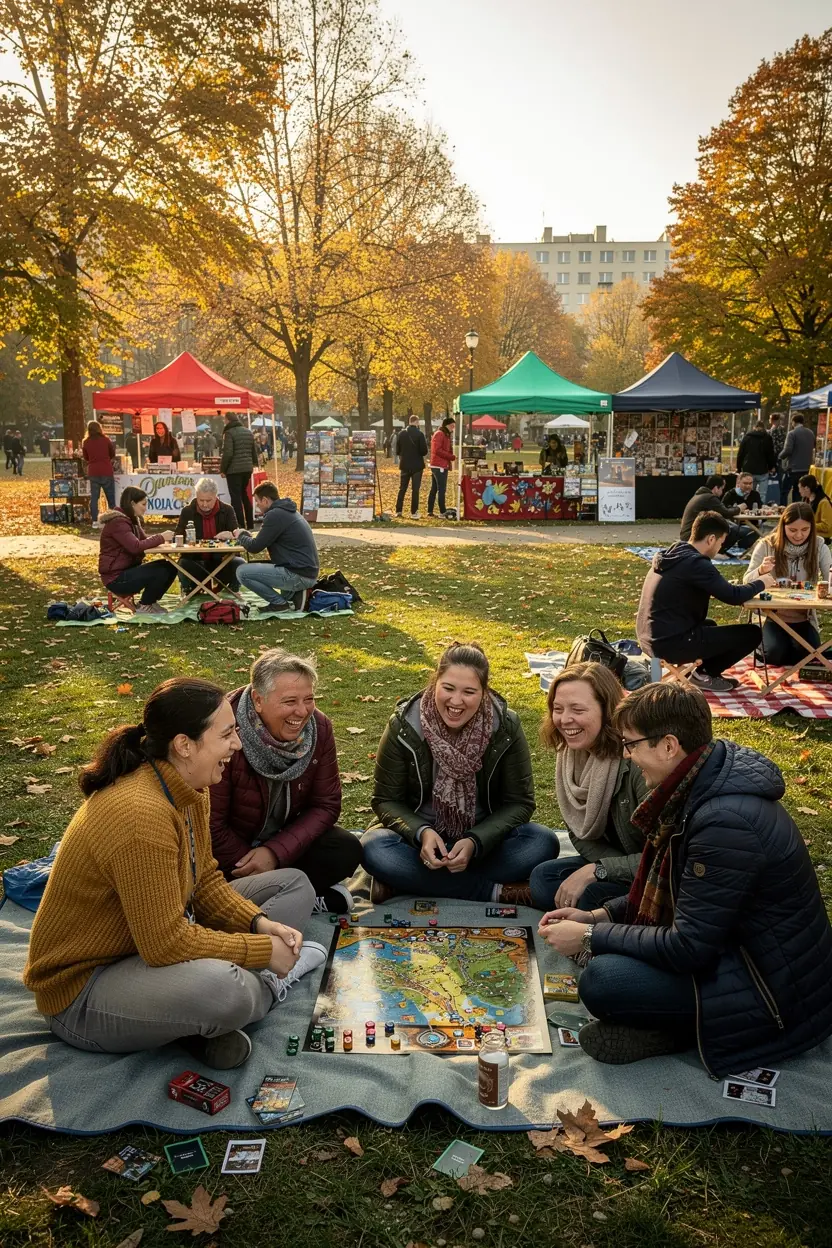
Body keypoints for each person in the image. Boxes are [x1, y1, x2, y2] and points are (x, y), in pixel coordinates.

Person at [24, 678, 326, 1071]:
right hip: (84, 990)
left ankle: (202, 1016)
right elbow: (165, 944)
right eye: (227, 734)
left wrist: (258, 922)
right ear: (185, 745)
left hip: (146, 948)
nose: (236, 744)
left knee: (294, 885)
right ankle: (266, 983)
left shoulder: (189, 786)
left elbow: (206, 883)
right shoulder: (139, 815)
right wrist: (259, 951)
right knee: (227, 991)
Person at [538, 682, 832, 1073]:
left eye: (631, 745)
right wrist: (598, 917)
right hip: (735, 954)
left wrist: (591, 936)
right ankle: (672, 1024)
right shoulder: (698, 784)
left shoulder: (723, 823)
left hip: (775, 998)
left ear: (668, 746)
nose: (628, 755)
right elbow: (676, 894)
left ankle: (684, 1031)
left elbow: (688, 946)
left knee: (604, 979)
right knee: (608, 954)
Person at [363, 642, 559, 904]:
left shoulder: (505, 727)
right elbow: (385, 800)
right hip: (417, 843)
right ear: (435, 683)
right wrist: (422, 832)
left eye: (469, 691)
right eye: (448, 688)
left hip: (484, 842)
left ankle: (406, 885)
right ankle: (496, 892)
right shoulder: (404, 725)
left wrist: (475, 842)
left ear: (484, 692)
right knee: (373, 848)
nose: (456, 701)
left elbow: (520, 803)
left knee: (542, 842)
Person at [209, 649, 362, 912]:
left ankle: (269, 896)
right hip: (231, 854)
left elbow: (326, 805)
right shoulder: (224, 730)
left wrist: (274, 854)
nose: (302, 712)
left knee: (345, 849)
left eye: (309, 699)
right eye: (290, 701)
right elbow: (210, 823)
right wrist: (250, 864)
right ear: (258, 700)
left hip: (282, 846)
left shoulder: (320, 729)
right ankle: (286, 896)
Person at [529, 663, 649, 913]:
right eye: (558, 709)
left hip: (654, 874)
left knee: (591, 896)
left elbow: (666, 858)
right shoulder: (570, 757)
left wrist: (600, 870)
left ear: (607, 711)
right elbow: (578, 831)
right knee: (543, 879)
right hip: (618, 861)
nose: (564, 720)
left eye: (577, 709)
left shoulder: (637, 761)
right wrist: (602, 866)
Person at [636, 510, 775, 692]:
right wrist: (761, 582)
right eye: (720, 543)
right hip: (669, 643)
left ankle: (699, 672)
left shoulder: (674, 553)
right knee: (751, 634)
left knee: (710, 625)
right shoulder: (697, 564)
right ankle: (703, 674)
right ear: (711, 539)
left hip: (649, 637)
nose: (719, 548)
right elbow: (733, 596)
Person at [744, 503, 832, 667]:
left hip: (803, 618)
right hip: (771, 617)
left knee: (806, 655)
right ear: (782, 526)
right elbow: (746, 581)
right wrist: (761, 571)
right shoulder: (766, 545)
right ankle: (762, 646)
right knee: (775, 654)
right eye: (792, 530)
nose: (799, 535)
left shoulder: (819, 545)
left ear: (812, 528)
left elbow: (830, 578)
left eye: (805, 530)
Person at [234, 481, 319, 615]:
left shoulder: (275, 515)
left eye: (258, 502)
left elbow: (255, 547)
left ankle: (279, 603)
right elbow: (263, 539)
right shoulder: (287, 511)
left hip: (298, 573)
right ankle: (292, 595)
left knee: (242, 572)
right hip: (305, 570)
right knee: (257, 567)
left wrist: (240, 535)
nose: (257, 505)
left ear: (266, 500)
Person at [98, 486, 178, 614]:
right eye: (143, 504)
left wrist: (164, 540)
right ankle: (145, 605)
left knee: (170, 566)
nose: (145, 508)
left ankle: (150, 602)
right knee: (161, 570)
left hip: (126, 572)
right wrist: (161, 537)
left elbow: (144, 541)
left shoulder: (131, 520)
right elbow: (135, 547)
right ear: (132, 504)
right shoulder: (118, 522)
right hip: (116, 578)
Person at [175, 478, 243, 592]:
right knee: (182, 564)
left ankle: (232, 592)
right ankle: (188, 591)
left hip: (222, 561)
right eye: (201, 500)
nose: (204, 504)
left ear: (216, 496)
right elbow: (177, 536)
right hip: (196, 561)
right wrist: (183, 539)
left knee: (240, 563)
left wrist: (231, 535)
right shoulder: (187, 511)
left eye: (208, 500)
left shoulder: (227, 510)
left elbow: (239, 536)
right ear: (196, 496)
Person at [679, 475, 757, 551]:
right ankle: (717, 552)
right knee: (731, 530)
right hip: (692, 537)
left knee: (734, 528)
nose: (722, 492)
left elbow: (723, 510)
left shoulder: (701, 496)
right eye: (722, 489)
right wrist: (739, 508)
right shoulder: (709, 498)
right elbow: (726, 513)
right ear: (716, 488)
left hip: (688, 536)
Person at [220, 412, 259, 529]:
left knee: (235, 498)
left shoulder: (229, 433)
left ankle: (240, 524)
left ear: (228, 420)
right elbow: (253, 450)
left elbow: (228, 453)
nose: (224, 422)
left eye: (224, 420)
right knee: (244, 495)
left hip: (234, 470)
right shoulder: (248, 432)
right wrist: (254, 463)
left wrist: (223, 469)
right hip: (247, 468)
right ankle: (250, 523)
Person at [82, 420, 117, 528]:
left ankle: (94, 521)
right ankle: (113, 520)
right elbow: (112, 453)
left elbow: (86, 457)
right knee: (110, 497)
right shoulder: (106, 440)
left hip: (93, 471)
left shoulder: (86, 442)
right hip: (106, 470)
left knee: (94, 498)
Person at [395, 414, 428, 519]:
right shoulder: (420, 434)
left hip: (404, 464)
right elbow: (424, 451)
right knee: (415, 489)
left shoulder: (401, 434)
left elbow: (397, 451)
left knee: (402, 488)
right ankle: (414, 512)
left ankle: (399, 510)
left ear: (409, 421)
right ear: (416, 422)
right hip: (417, 466)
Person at [780, 413, 816, 503]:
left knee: (784, 491)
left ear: (793, 422)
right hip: (806, 468)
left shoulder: (792, 433)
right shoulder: (810, 433)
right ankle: (798, 510)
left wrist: (779, 456)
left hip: (793, 468)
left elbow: (788, 450)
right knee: (799, 492)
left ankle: (783, 509)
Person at [736, 420, 776, 497]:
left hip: (749, 468)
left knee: (748, 492)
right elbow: (770, 454)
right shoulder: (767, 438)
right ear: (763, 428)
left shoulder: (747, 437)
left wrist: (739, 467)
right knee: (762, 494)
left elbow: (741, 454)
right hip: (762, 469)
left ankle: (748, 507)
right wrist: (771, 466)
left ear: (754, 427)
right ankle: (760, 507)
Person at [427, 416, 455, 517]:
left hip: (439, 465)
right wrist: (451, 456)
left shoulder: (444, 434)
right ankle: (442, 511)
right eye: (452, 426)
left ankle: (430, 510)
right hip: (439, 465)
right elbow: (438, 450)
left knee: (434, 488)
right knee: (441, 489)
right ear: (447, 425)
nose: (453, 428)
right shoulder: (440, 434)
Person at [798, 474, 832, 540]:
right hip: (809, 536)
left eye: (800, 488)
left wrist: (808, 525)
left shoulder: (824, 503)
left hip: (822, 539)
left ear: (807, 488)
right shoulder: (806, 500)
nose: (799, 491)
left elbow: (826, 526)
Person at [768, 412, 786, 503]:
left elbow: (773, 445)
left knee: (776, 478)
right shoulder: (782, 429)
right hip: (781, 456)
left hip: (775, 456)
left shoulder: (773, 430)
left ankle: (775, 497)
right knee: (780, 478)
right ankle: (779, 497)